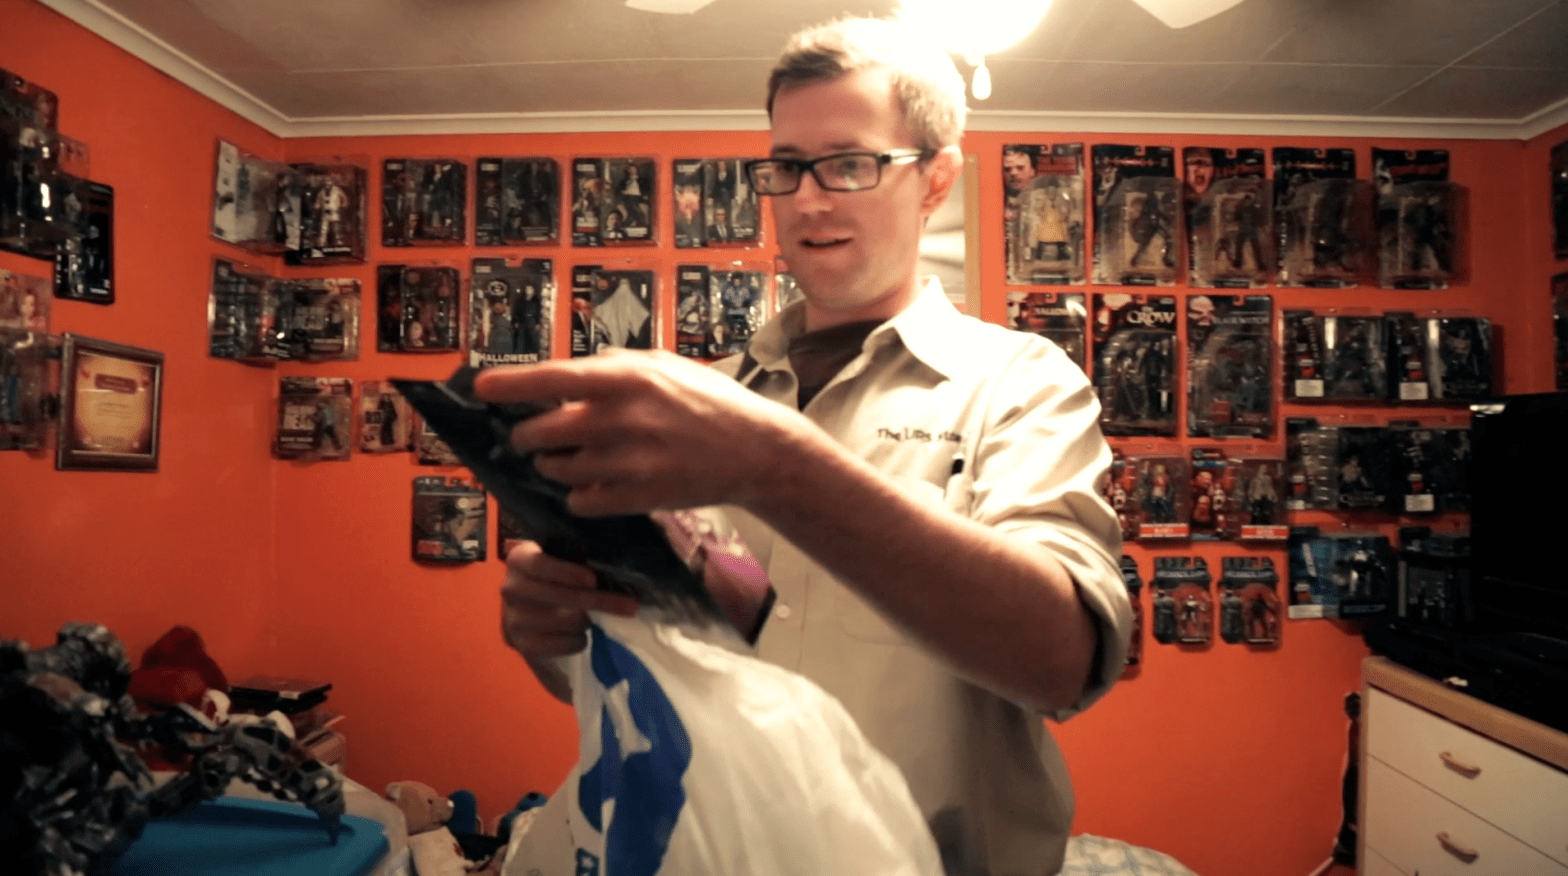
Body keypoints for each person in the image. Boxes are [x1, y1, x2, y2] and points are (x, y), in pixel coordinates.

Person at [476, 15, 1128, 876]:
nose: (808, 201)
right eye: (786, 167)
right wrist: (553, 632)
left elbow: (1062, 662)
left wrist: (775, 466)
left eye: (850, 164)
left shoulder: (1022, 382)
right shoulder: (704, 402)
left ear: (935, 181)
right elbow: (656, 663)